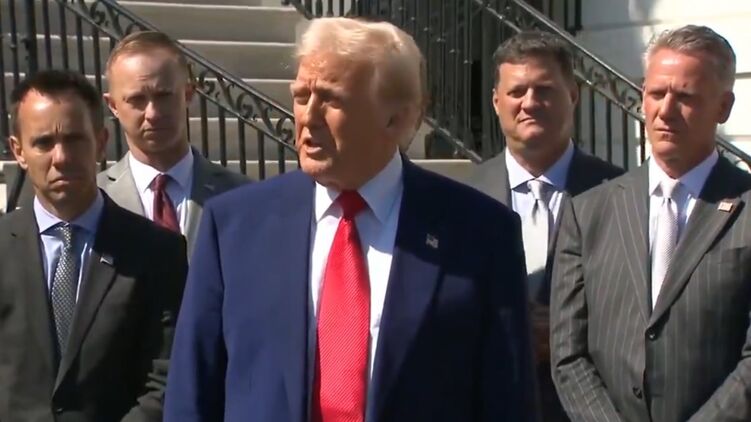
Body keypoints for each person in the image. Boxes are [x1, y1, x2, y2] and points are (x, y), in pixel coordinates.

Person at [165, 17, 538, 422]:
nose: (307, 117)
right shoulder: (235, 226)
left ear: (395, 119)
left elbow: (508, 402)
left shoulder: (480, 233)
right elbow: (192, 396)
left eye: (331, 99)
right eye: (301, 96)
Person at [551, 25, 751, 421]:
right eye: (656, 93)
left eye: (686, 97)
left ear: (724, 107)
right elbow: (568, 351)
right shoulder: (588, 212)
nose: (666, 110)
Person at [0, 69, 187, 421]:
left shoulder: (157, 251)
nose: (61, 157)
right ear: (19, 151)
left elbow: (167, 377)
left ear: (101, 142)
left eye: (74, 139)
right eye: (43, 143)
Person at [469, 31, 623, 422]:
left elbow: (636, 306)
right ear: (496, 101)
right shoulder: (461, 196)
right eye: (516, 91)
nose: (530, 102)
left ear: (573, 95)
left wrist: (566, 334)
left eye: (544, 90)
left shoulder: (620, 193)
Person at [99, 30, 248, 258]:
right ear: (113, 106)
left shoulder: (240, 195)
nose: (153, 113)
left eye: (164, 96)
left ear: (187, 94)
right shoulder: (95, 199)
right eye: (137, 99)